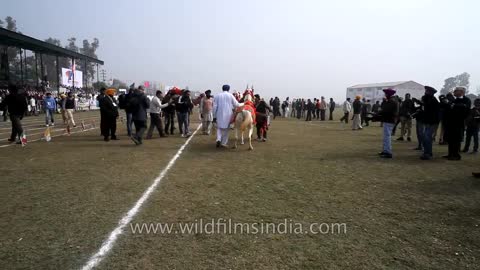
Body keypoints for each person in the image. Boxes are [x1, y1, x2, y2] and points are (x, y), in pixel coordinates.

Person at [443, 86, 471, 160]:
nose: (454, 92)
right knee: (451, 139)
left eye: (456, 91)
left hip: (459, 122)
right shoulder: (455, 100)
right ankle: (450, 154)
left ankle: (456, 155)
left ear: (461, 92)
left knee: (456, 139)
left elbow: (465, 109)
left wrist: (453, 105)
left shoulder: (466, 100)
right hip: (451, 122)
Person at [419, 86, 440, 160]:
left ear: (431, 92)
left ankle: (428, 153)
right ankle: (427, 152)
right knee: (425, 137)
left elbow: (434, 112)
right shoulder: (427, 99)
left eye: (427, 91)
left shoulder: (433, 100)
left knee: (427, 137)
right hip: (427, 121)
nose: (425, 92)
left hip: (431, 122)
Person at [378, 89, 399, 158]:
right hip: (388, 120)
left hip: (389, 120)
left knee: (387, 137)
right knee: (385, 137)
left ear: (388, 94)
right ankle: (385, 150)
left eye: (385, 94)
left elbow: (385, 110)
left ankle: (388, 152)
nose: (385, 95)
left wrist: (379, 112)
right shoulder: (391, 101)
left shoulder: (392, 102)